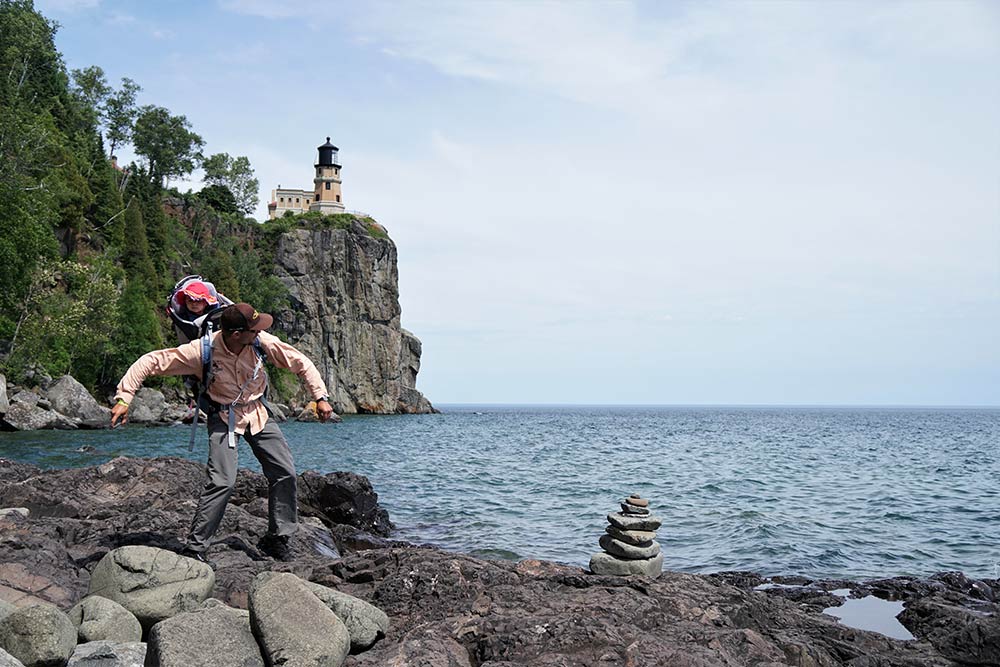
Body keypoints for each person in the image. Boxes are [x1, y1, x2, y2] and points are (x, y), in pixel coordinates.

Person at [110, 302, 335, 565]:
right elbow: (151, 361)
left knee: (284, 472)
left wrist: (320, 397)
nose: (259, 332)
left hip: (258, 414)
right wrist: (124, 398)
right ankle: (195, 548)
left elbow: (301, 362)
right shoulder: (201, 351)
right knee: (222, 481)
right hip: (222, 417)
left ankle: (278, 537)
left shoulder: (262, 342)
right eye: (253, 329)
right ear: (236, 334)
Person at [166, 277, 232, 344]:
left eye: (198, 301)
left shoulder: (216, 310)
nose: (194, 304)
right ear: (185, 302)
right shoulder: (184, 317)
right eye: (190, 300)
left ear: (206, 302)